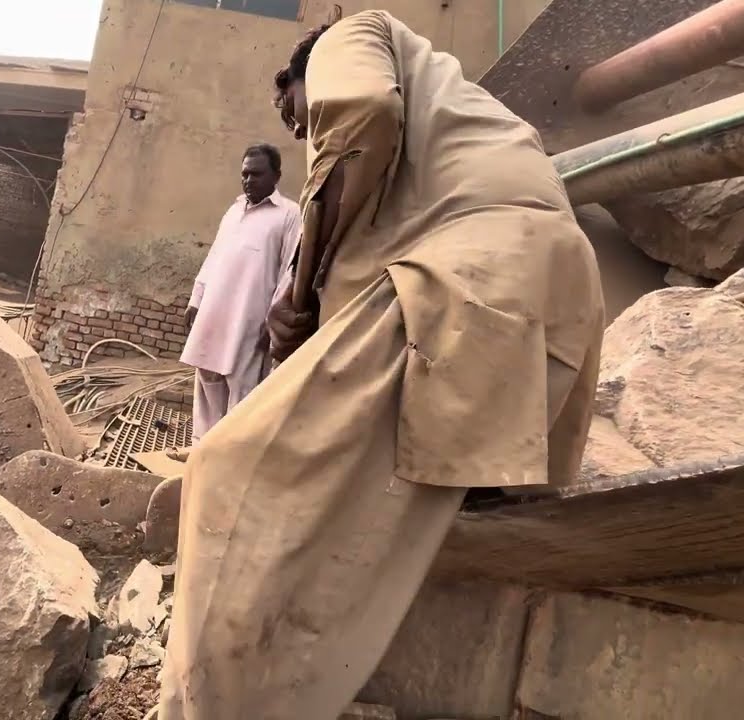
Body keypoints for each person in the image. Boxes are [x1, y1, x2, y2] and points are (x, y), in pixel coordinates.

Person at [156, 9, 605, 720]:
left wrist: (299, 293)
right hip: (548, 287)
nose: (303, 132)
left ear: (303, 75)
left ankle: (210, 706)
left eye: (297, 114)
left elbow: (360, 113)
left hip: (474, 281)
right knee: (415, 517)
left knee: (229, 470)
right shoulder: (448, 117)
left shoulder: (353, 35)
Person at [179, 144, 300, 444]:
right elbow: (215, 256)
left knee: (242, 387)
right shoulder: (234, 211)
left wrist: (273, 321)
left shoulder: (289, 214)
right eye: (244, 174)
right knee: (207, 377)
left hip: (251, 316)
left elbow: (289, 270)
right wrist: (196, 299)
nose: (248, 180)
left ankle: (229, 454)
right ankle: (201, 449)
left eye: (256, 174)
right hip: (215, 310)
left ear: (276, 176)